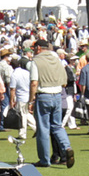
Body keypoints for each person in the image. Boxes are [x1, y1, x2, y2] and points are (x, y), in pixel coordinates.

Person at [29, 38, 74, 168]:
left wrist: (31, 99)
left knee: (43, 129)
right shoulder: (57, 60)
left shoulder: (36, 62)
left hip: (44, 95)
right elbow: (65, 81)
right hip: (57, 95)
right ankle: (67, 147)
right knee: (57, 126)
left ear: (38, 48)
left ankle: (44, 160)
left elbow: (34, 83)